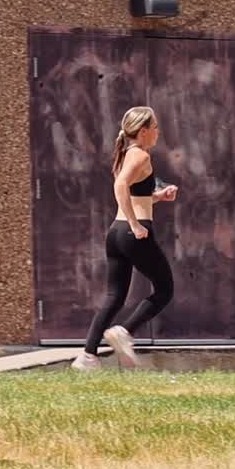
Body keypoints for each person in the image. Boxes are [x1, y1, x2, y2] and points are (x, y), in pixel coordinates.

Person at [71, 106, 179, 372]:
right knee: (164, 289)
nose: (158, 133)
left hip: (116, 234)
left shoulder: (125, 154)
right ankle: (124, 332)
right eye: (155, 128)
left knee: (115, 296)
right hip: (134, 230)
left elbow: (133, 194)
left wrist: (158, 197)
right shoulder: (140, 155)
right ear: (143, 131)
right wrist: (135, 224)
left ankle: (87, 357)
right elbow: (120, 186)